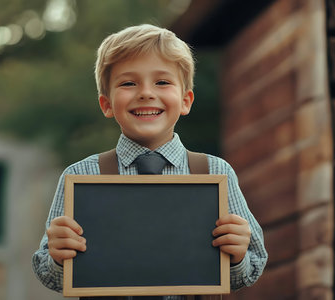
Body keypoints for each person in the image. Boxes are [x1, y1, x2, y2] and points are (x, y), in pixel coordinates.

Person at [32, 24, 267, 296]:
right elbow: (49, 273)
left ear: (185, 100)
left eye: (162, 82)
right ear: (107, 104)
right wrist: (59, 257)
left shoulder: (216, 172)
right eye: (129, 83)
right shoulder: (82, 175)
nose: (146, 93)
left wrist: (237, 255)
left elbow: (252, 265)